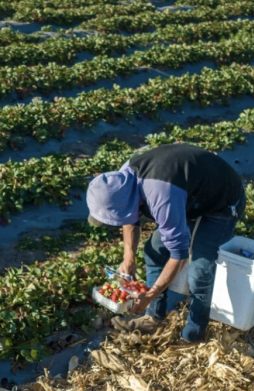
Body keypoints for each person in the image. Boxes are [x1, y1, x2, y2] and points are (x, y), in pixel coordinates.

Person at [86, 143, 245, 344]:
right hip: (188, 195)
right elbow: (130, 218)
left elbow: (179, 254)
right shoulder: (122, 178)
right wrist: (128, 258)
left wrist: (151, 294)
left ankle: (194, 333)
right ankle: (154, 317)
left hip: (222, 202)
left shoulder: (161, 195)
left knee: (201, 271)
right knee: (154, 251)